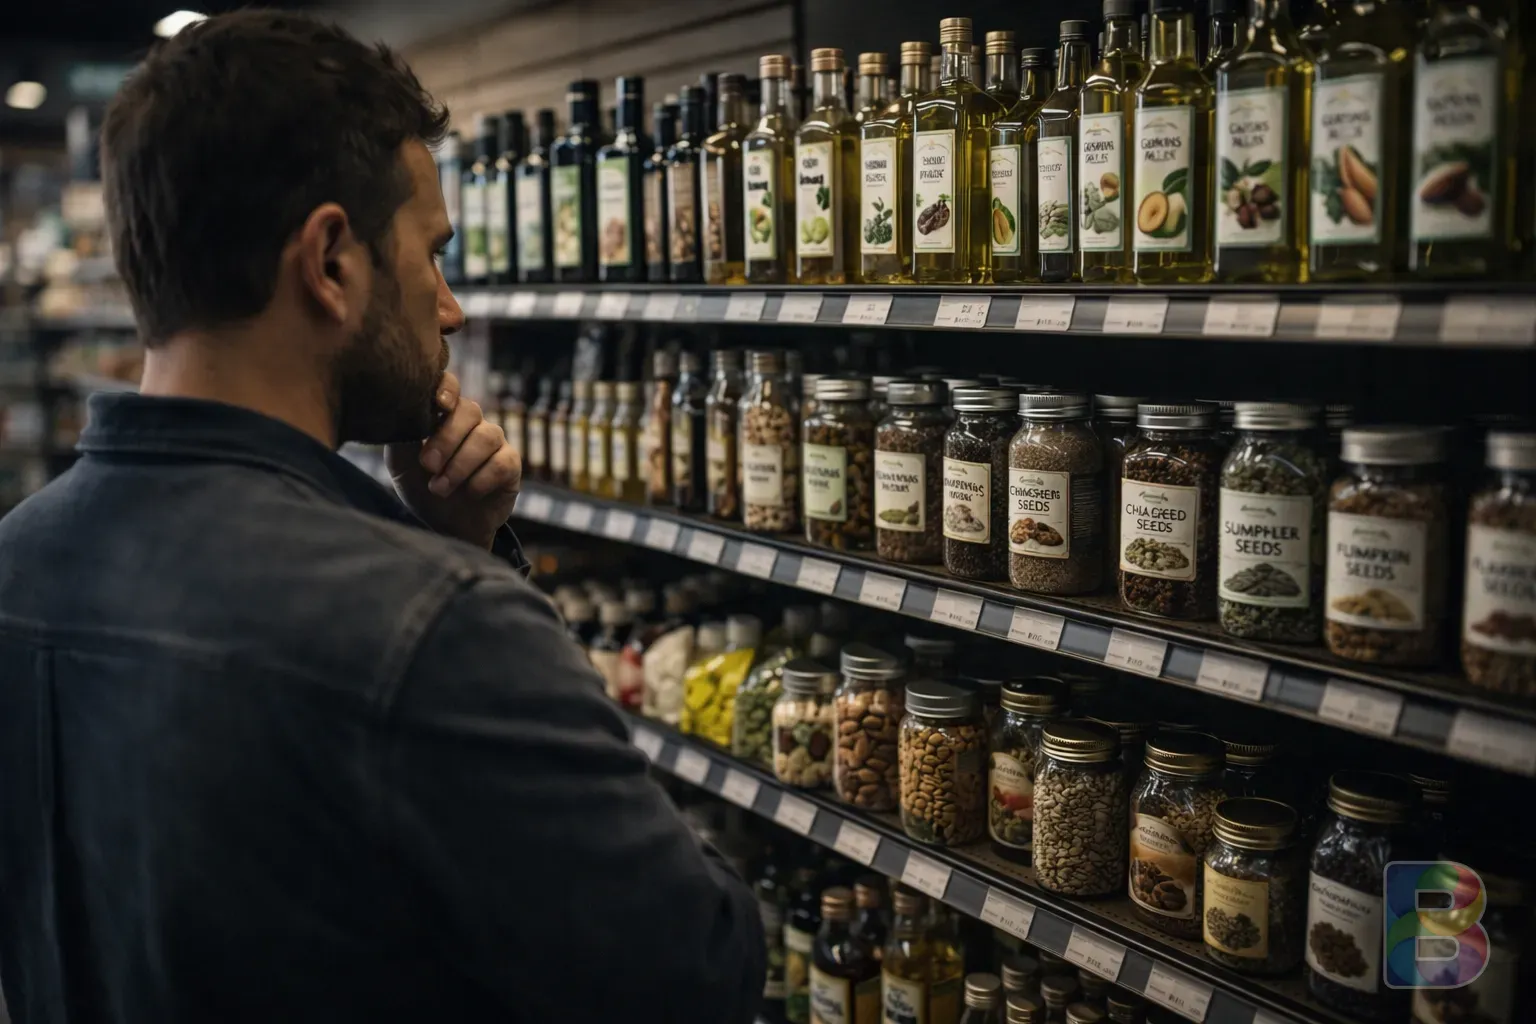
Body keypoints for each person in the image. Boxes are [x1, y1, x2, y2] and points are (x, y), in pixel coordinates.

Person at [0, 11, 763, 1023]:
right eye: (431, 255)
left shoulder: (14, 562)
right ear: (330, 261)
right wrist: (472, 576)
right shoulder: (437, 626)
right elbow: (697, 968)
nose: (446, 307)